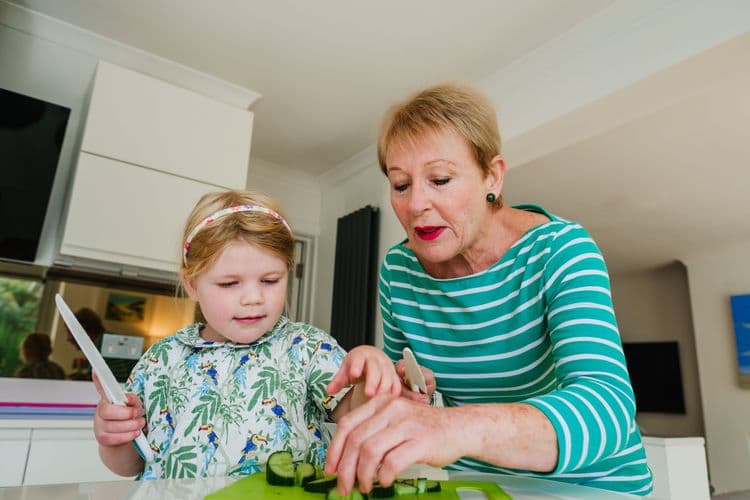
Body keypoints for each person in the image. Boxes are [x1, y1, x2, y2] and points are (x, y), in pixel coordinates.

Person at [325, 82, 653, 496]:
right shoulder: (399, 271)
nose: (415, 205)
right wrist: (391, 386)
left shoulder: (560, 250)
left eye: (440, 179)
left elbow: (607, 409)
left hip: (593, 487)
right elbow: (405, 392)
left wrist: (454, 427)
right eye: (401, 184)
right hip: (477, 487)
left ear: (491, 176)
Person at [92, 190, 401, 479]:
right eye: (229, 284)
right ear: (192, 285)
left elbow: (355, 414)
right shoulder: (161, 360)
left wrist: (369, 374)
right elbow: (129, 464)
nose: (253, 297)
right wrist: (112, 436)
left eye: (269, 280)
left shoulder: (306, 346)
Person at [66, 307, 105, 381]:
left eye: (69, 332)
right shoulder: (103, 342)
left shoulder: (103, 346)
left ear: (82, 328)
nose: (68, 338)